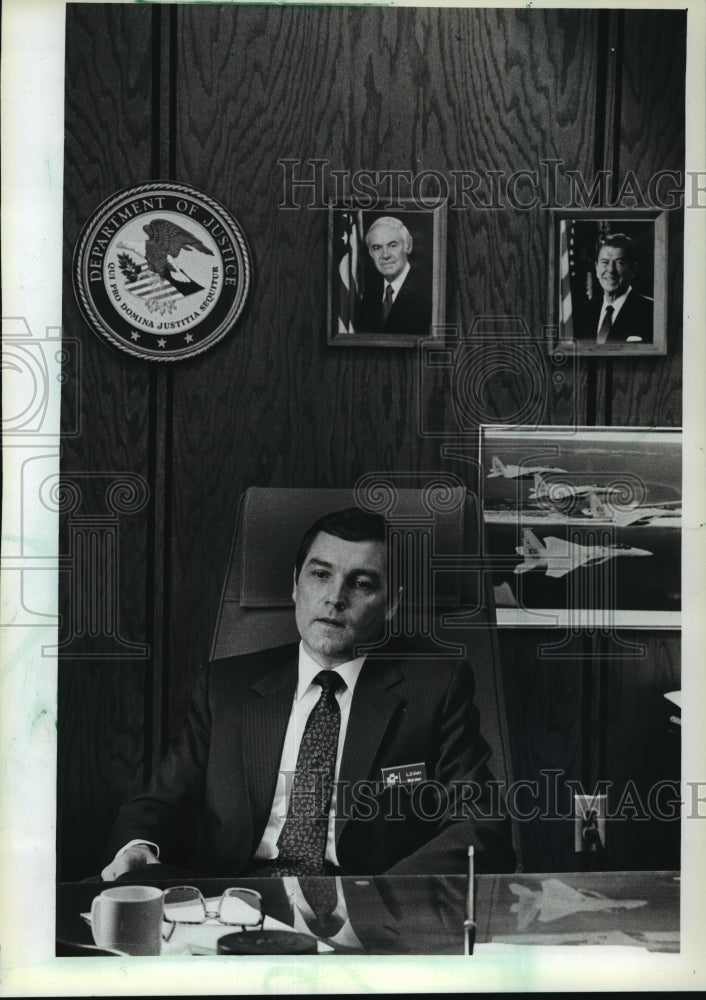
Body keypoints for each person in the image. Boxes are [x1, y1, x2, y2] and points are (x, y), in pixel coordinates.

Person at [101, 508, 514, 880]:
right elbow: (158, 803)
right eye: (320, 575)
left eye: (362, 583)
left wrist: (380, 898)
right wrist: (137, 848)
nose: (335, 597)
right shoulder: (227, 686)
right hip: (234, 903)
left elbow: (480, 824)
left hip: (364, 911)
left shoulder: (435, 689)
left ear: (390, 606)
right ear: (295, 586)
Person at [356, 217, 433, 334]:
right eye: (377, 248)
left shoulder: (430, 292)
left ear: (408, 246)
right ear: (371, 254)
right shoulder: (368, 298)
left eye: (392, 246)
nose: (385, 255)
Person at [574, 233, 654, 343]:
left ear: (633, 269)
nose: (611, 270)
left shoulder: (651, 311)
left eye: (619, 263)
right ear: (597, 268)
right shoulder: (581, 313)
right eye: (605, 262)